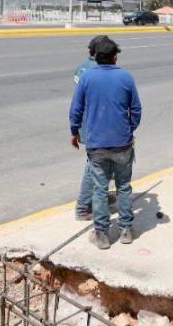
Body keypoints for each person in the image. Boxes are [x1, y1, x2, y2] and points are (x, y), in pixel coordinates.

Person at [69, 36, 142, 250]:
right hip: (122, 143)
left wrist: (74, 132)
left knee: (100, 190)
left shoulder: (86, 77)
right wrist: (129, 129)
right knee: (124, 188)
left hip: (96, 144)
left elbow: (76, 110)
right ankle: (126, 230)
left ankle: (101, 234)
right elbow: (136, 109)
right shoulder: (126, 77)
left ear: (95, 56)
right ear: (114, 57)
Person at [72, 36, 104, 222]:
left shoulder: (82, 67)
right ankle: (83, 207)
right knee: (95, 165)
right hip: (96, 126)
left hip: (84, 124)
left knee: (99, 164)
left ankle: (96, 197)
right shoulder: (99, 71)